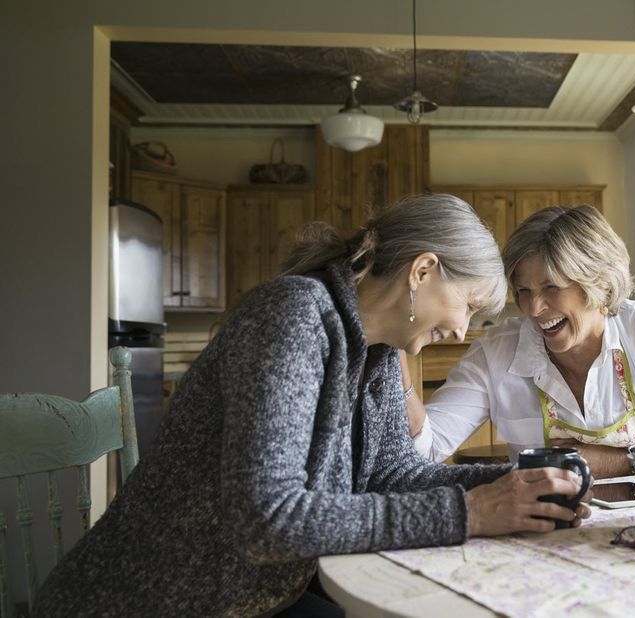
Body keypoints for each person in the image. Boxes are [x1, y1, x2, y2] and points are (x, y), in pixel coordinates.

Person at [34, 194, 590, 617]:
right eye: (467, 306)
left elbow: (393, 473)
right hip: (152, 600)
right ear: (421, 273)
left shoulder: (374, 353)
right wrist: (472, 512)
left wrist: (520, 486)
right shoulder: (293, 317)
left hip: (255, 597)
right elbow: (267, 521)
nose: (461, 329)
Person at [409, 205, 635, 479]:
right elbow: (428, 446)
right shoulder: (495, 353)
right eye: (524, 291)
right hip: (548, 534)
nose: (534, 308)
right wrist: (396, 345)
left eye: (551, 287)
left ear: (597, 282)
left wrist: (618, 460)